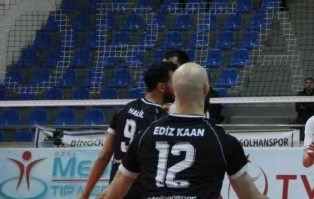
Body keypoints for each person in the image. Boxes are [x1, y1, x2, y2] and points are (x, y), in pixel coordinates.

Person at [100, 63, 267, 199]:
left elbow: (110, 195)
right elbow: (251, 196)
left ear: (174, 89)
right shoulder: (222, 141)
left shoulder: (144, 136)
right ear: (206, 88)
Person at [79, 62, 177, 199]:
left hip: (115, 191)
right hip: (141, 190)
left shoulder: (123, 110)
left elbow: (104, 155)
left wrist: (85, 193)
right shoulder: (159, 118)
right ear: (161, 87)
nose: (176, 88)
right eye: (173, 83)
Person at [163, 49, 223, 122]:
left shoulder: (203, 92)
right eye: (165, 65)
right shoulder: (164, 91)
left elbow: (214, 118)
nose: (166, 69)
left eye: (171, 66)